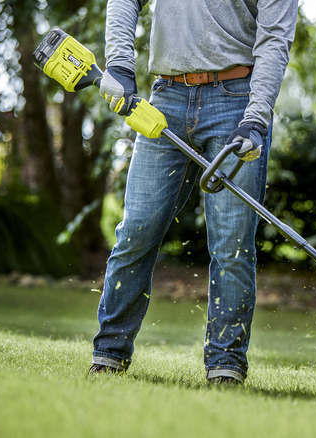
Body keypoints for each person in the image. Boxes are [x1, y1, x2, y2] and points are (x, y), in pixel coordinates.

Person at [89, 0, 299, 385]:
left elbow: (274, 40)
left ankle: (225, 365)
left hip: (235, 101)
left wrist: (255, 118)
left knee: (232, 245)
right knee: (136, 231)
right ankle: (109, 355)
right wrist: (119, 62)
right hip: (165, 98)